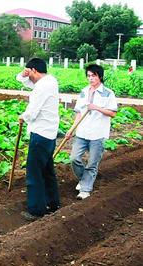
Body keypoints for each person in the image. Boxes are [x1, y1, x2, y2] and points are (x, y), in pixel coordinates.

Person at [16, 58, 61, 221]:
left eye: (29, 72)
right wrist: (23, 74)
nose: (28, 77)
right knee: (47, 171)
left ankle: (36, 210)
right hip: (49, 135)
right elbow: (23, 82)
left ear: (34, 70)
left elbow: (32, 112)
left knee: (34, 174)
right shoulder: (50, 81)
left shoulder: (42, 87)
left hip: (40, 135)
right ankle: (52, 203)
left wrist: (23, 117)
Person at [66, 64, 117, 200]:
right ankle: (84, 180)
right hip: (82, 132)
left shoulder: (108, 93)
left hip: (97, 134)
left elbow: (112, 113)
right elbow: (78, 114)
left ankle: (85, 190)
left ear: (100, 76)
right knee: (74, 159)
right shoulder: (83, 92)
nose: (90, 78)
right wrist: (71, 129)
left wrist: (97, 108)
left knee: (92, 163)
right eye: (88, 76)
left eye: (93, 75)